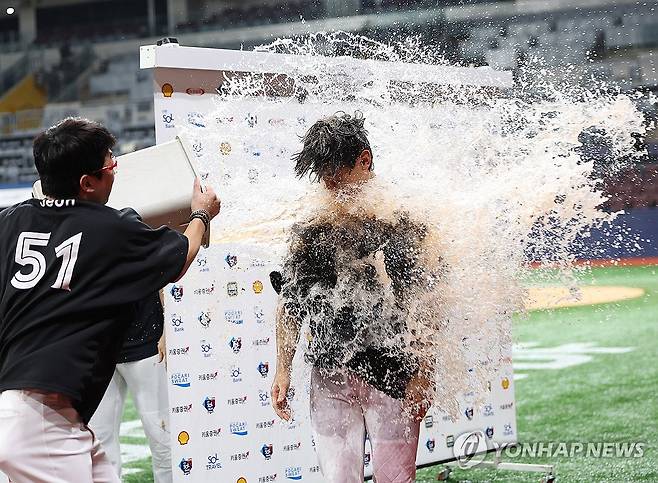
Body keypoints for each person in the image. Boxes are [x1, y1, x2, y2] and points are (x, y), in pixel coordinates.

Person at [0, 117, 220, 482]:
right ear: (87, 183)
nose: (116, 172)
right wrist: (200, 213)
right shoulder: (110, 226)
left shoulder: (8, 222)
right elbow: (181, 255)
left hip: (31, 409)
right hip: (44, 420)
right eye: (110, 165)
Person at [271, 112, 435, 483]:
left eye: (334, 173)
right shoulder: (313, 226)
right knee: (338, 479)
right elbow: (291, 301)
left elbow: (423, 299)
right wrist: (282, 367)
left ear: (364, 160)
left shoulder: (401, 219)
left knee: (395, 479)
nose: (328, 184)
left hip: (393, 371)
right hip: (329, 373)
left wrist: (425, 371)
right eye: (321, 176)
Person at [89, 290, 172, 483]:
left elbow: (166, 276)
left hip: (147, 343)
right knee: (98, 441)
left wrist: (169, 329)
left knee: (162, 436)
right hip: (98, 346)